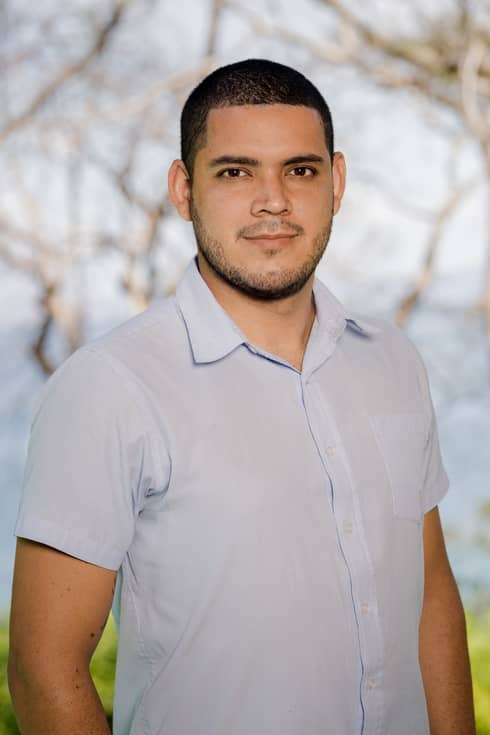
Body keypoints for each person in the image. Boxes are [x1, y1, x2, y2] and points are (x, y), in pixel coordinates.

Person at [8, 58, 475, 735]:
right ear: (183, 187)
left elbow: (431, 590)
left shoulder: (395, 362)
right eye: (235, 172)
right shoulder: (109, 387)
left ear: (336, 181)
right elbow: (44, 667)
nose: (273, 200)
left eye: (300, 169)